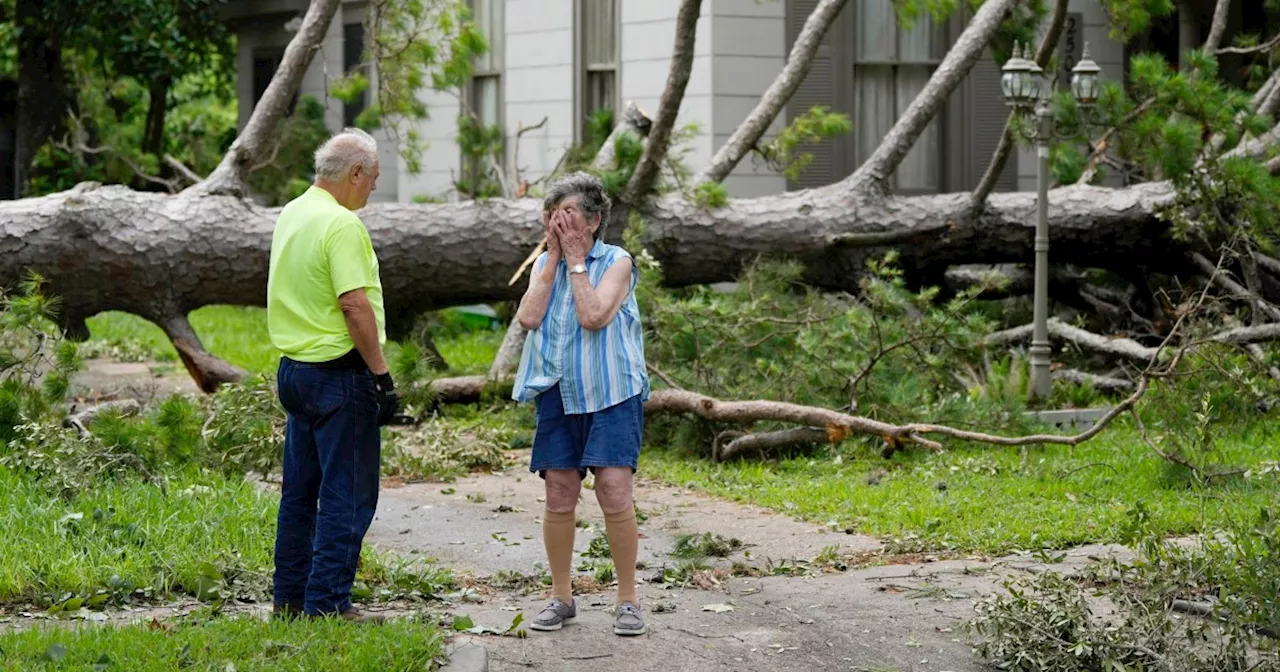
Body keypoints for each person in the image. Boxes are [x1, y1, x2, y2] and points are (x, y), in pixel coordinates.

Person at [265, 127, 400, 623]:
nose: (374, 189)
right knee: (349, 492)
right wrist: (381, 376)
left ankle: (290, 599)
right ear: (355, 172)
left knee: (299, 494)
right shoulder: (342, 225)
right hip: (340, 375)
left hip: (295, 371)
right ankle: (328, 605)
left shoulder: (293, 212)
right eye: (374, 178)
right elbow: (353, 304)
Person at [512, 171, 651, 636]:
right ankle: (561, 596)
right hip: (558, 389)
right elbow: (528, 317)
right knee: (558, 492)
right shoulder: (543, 264)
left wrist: (575, 260)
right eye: (553, 215)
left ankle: (628, 599)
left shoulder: (618, 262)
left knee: (613, 489)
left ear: (593, 220)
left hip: (611, 392)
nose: (560, 222)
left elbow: (593, 316)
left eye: (569, 214)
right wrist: (553, 258)